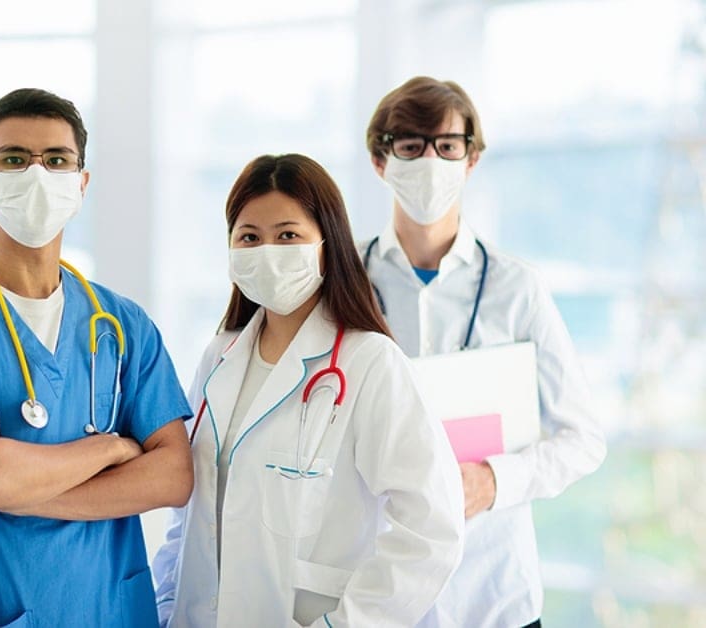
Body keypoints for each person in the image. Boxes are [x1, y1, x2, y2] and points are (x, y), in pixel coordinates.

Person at [0, 87, 193, 627]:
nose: (38, 174)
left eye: (57, 160)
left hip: (109, 610)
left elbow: (172, 477)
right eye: (15, 160)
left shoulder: (122, 326)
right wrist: (112, 448)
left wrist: (20, 488)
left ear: (81, 183)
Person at [152, 153, 464, 627]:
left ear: (327, 243)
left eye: (288, 235)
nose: (267, 251)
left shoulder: (369, 363)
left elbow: (432, 528)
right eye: (249, 237)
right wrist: (164, 606)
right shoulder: (219, 357)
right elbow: (192, 515)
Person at [360, 76, 607, 627]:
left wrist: (494, 481)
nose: (430, 160)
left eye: (447, 146)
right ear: (381, 160)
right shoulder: (344, 283)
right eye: (410, 145)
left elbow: (583, 439)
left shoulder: (516, 287)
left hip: (494, 597)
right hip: (376, 597)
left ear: (471, 160)